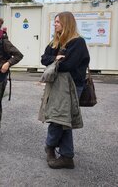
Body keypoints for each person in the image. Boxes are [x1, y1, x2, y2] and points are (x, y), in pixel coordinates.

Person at [39, 11, 90, 169]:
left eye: (58, 22)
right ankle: (67, 156)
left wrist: (57, 60)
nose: (55, 24)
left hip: (72, 86)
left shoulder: (77, 42)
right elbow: (43, 59)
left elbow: (68, 65)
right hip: (57, 85)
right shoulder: (55, 42)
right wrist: (56, 58)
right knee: (63, 120)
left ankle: (50, 146)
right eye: (54, 22)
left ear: (67, 23)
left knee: (58, 119)